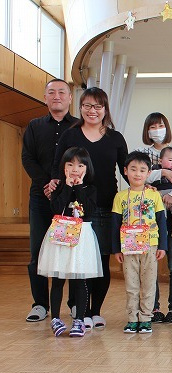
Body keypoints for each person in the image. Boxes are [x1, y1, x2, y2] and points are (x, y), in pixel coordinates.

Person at [52, 87, 128, 330]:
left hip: (106, 206)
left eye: (97, 106)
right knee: (78, 261)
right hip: (76, 210)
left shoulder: (115, 138)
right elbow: (58, 167)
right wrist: (55, 185)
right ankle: (80, 310)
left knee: (101, 261)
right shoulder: (70, 135)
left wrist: (143, 188)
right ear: (81, 107)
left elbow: (127, 171)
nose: (92, 111)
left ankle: (96, 312)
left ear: (105, 109)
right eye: (87, 106)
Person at [21, 78, 78, 322]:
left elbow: (82, 160)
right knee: (38, 251)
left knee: (71, 250)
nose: (57, 96)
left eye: (62, 92)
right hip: (40, 197)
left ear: (70, 98)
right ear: (45, 98)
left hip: (71, 198)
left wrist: (61, 184)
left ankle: (75, 304)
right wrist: (48, 183)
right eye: (51, 92)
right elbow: (27, 158)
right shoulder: (34, 126)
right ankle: (40, 305)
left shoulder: (78, 126)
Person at [37, 147, 103, 337]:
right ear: (63, 167)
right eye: (70, 164)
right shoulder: (58, 187)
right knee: (58, 279)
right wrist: (66, 187)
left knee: (80, 280)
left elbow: (89, 211)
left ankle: (79, 320)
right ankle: (56, 319)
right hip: (60, 236)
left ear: (87, 168)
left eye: (80, 165)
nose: (75, 169)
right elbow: (56, 208)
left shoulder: (90, 189)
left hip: (81, 238)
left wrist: (79, 187)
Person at [136, 112, 172, 325]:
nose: (157, 130)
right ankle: (154, 307)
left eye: (160, 125)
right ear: (147, 130)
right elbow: (140, 179)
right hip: (150, 215)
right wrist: (163, 175)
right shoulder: (142, 153)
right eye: (153, 126)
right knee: (151, 266)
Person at [111, 152, 167, 333]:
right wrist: (116, 249)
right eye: (133, 169)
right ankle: (132, 318)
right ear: (125, 171)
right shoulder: (120, 197)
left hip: (150, 246)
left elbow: (161, 221)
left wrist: (163, 246)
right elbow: (115, 224)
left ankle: (146, 318)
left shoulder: (154, 195)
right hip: (128, 247)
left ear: (148, 173)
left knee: (149, 283)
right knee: (131, 284)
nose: (137, 174)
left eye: (142, 170)